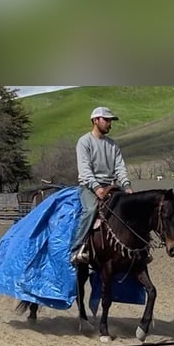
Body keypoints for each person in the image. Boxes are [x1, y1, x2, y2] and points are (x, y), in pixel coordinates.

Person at [70, 106, 132, 264]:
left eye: (110, 120)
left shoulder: (113, 145)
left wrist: (126, 186)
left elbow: (120, 167)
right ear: (95, 120)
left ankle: (138, 248)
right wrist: (97, 188)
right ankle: (78, 248)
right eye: (106, 120)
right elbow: (85, 170)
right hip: (89, 186)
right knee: (90, 210)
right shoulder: (84, 142)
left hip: (111, 186)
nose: (109, 123)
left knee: (130, 209)